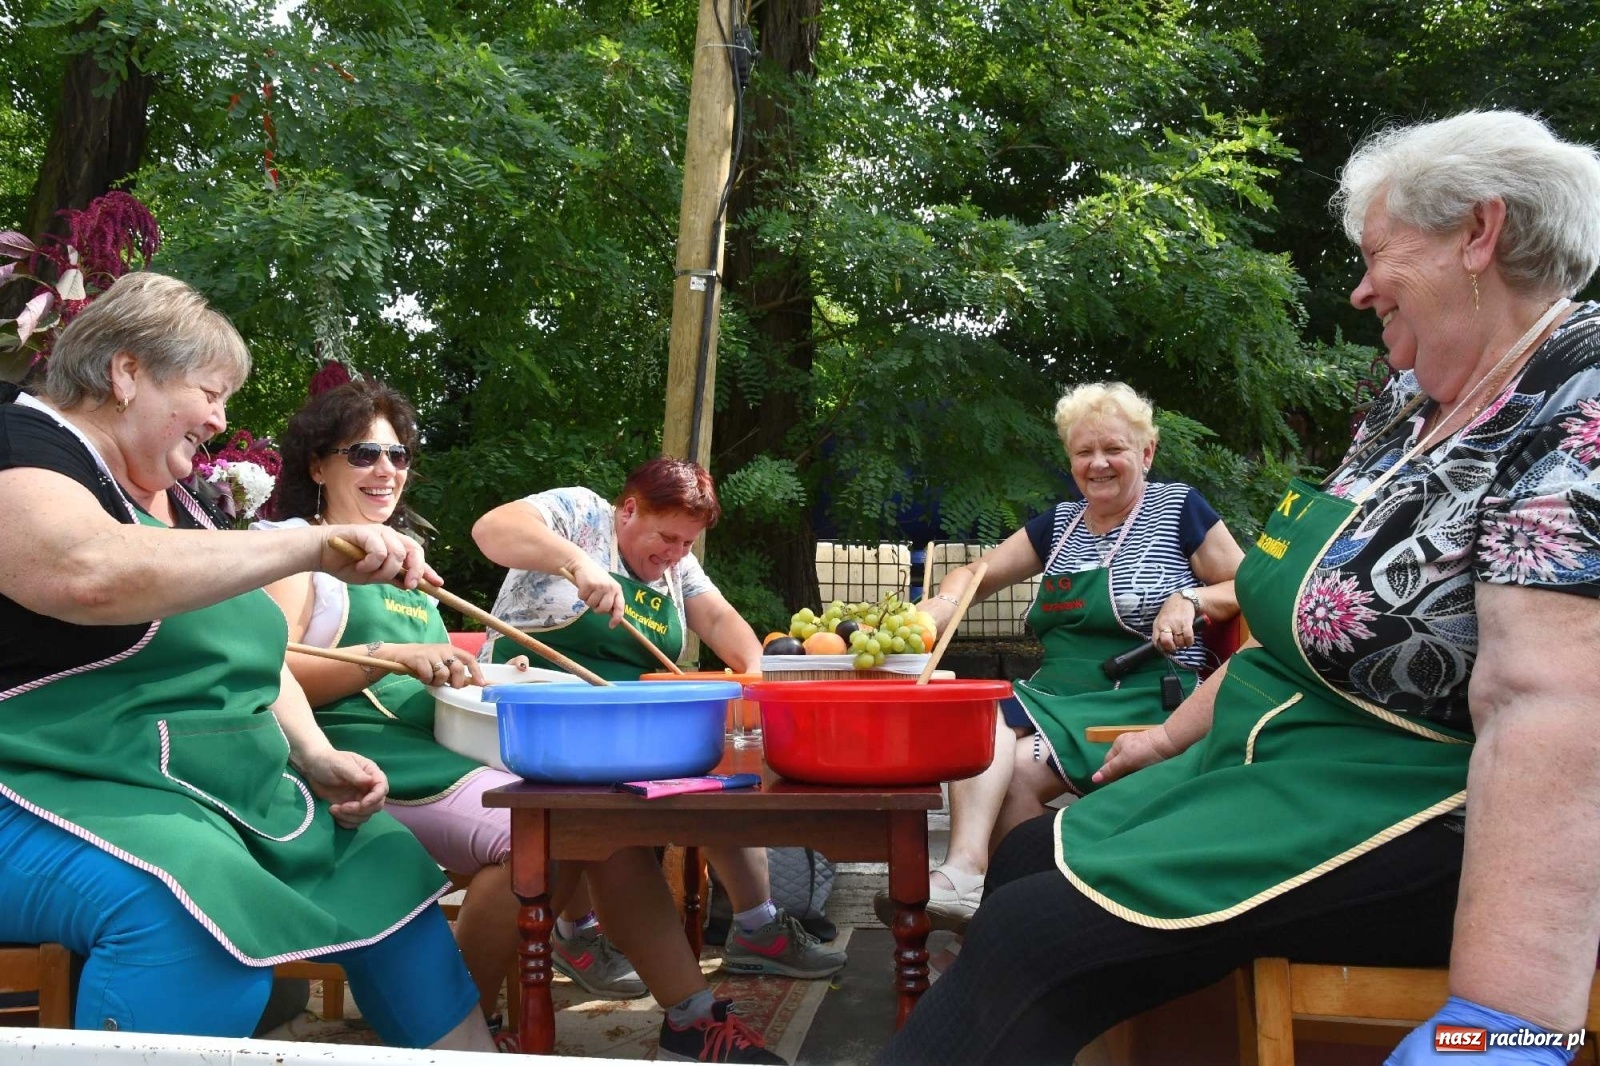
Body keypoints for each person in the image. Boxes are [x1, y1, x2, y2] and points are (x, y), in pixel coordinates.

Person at [875, 110, 1600, 1066]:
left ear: (1479, 233)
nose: (1360, 289)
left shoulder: (1579, 401)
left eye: (1379, 255)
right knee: (1021, 857)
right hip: (1286, 761)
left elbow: (1555, 711)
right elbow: (1290, 629)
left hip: (1427, 810)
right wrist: (1168, 739)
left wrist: (1506, 1025)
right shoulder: (1409, 399)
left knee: (1029, 937)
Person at [0, 272, 494, 1051]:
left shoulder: (185, 503)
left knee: (380, 862)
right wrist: (306, 546)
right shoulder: (22, 444)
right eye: (210, 393)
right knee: (190, 905)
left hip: (191, 789)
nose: (220, 420)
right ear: (127, 373)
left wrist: (317, 755)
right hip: (36, 790)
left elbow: (258, 655)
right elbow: (83, 570)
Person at [260, 379, 782, 1062]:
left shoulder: (405, 558)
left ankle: (689, 1015)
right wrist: (388, 657)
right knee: (545, 835)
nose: (385, 469)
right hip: (356, 763)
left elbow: (434, 675)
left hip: (442, 748)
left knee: (602, 825)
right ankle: (461, 1032)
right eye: (363, 453)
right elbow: (266, 671)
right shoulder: (297, 549)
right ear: (316, 465)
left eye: (398, 455)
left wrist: (483, 676)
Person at [473, 458, 849, 981]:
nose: (675, 553)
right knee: (587, 815)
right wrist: (578, 564)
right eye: (667, 538)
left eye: (687, 543)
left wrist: (756, 675)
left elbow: (716, 616)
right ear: (629, 510)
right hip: (535, 725)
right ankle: (577, 934)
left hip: (626, 727)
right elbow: (491, 529)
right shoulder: (580, 513)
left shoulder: (678, 565)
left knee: (715, 785)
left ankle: (757, 927)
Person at [889, 382, 1242, 936]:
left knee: (1013, 772)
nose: (1098, 463)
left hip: (1146, 698)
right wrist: (944, 604)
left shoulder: (1180, 509)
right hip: (1056, 697)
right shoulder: (1061, 525)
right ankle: (987, 898)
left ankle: (997, 906)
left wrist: (1192, 598)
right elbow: (977, 573)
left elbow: (1251, 586)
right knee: (980, 726)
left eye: (1114, 449)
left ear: (1146, 452)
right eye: (1084, 452)